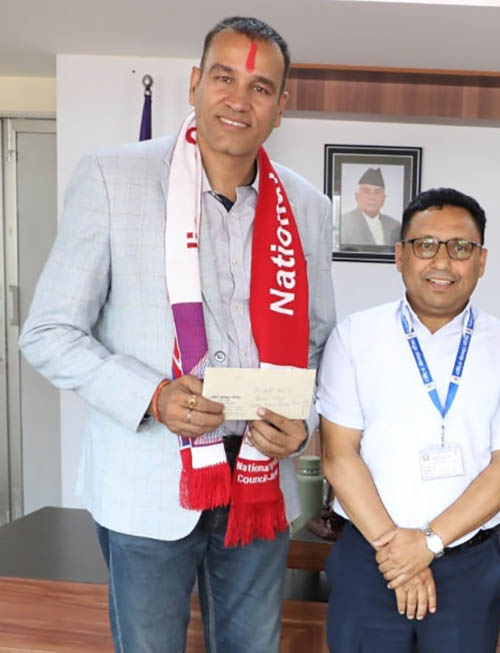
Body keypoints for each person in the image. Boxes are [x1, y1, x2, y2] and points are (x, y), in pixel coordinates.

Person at [18, 16, 336, 652]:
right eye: (224, 77)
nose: (238, 100)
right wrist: (154, 396)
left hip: (258, 482)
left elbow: (318, 341)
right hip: (148, 481)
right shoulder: (114, 177)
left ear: (281, 106)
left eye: (260, 87)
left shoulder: (307, 206)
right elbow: (49, 330)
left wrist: (302, 423)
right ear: (194, 83)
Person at [317, 187, 500, 652]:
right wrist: (398, 551)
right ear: (400, 256)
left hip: (466, 567)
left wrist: (428, 544)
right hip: (370, 559)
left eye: (460, 248)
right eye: (426, 245)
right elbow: (339, 456)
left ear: (481, 261)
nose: (442, 261)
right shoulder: (356, 336)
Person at [339, 166, 402, 247]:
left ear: (384, 198)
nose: (372, 197)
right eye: (366, 191)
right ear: (357, 196)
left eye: (377, 192)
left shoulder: (395, 225)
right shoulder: (344, 222)